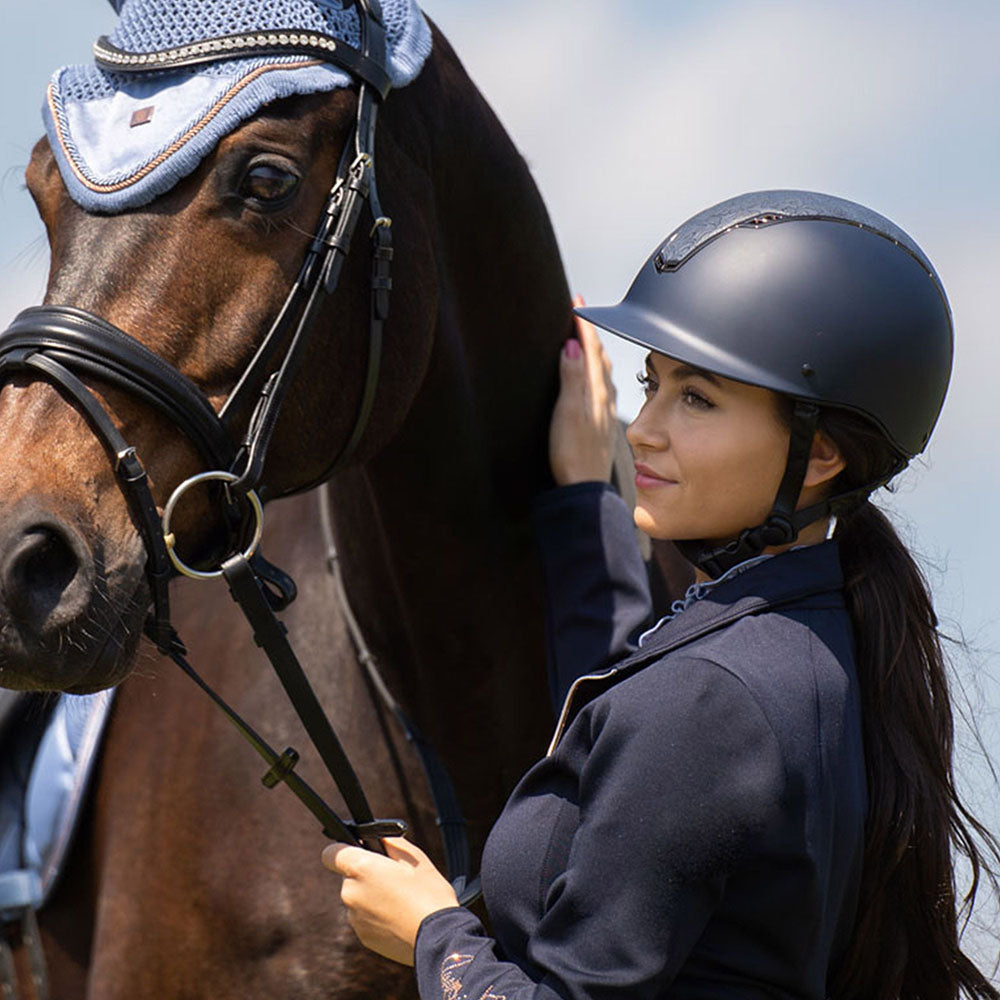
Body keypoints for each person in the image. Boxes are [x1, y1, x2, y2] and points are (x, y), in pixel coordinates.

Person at [322, 191, 1000, 999]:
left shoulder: (713, 700)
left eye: (698, 398)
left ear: (818, 455)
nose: (643, 428)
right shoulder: (820, 634)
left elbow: (672, 724)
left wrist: (433, 935)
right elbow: (635, 706)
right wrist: (584, 510)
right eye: (653, 385)